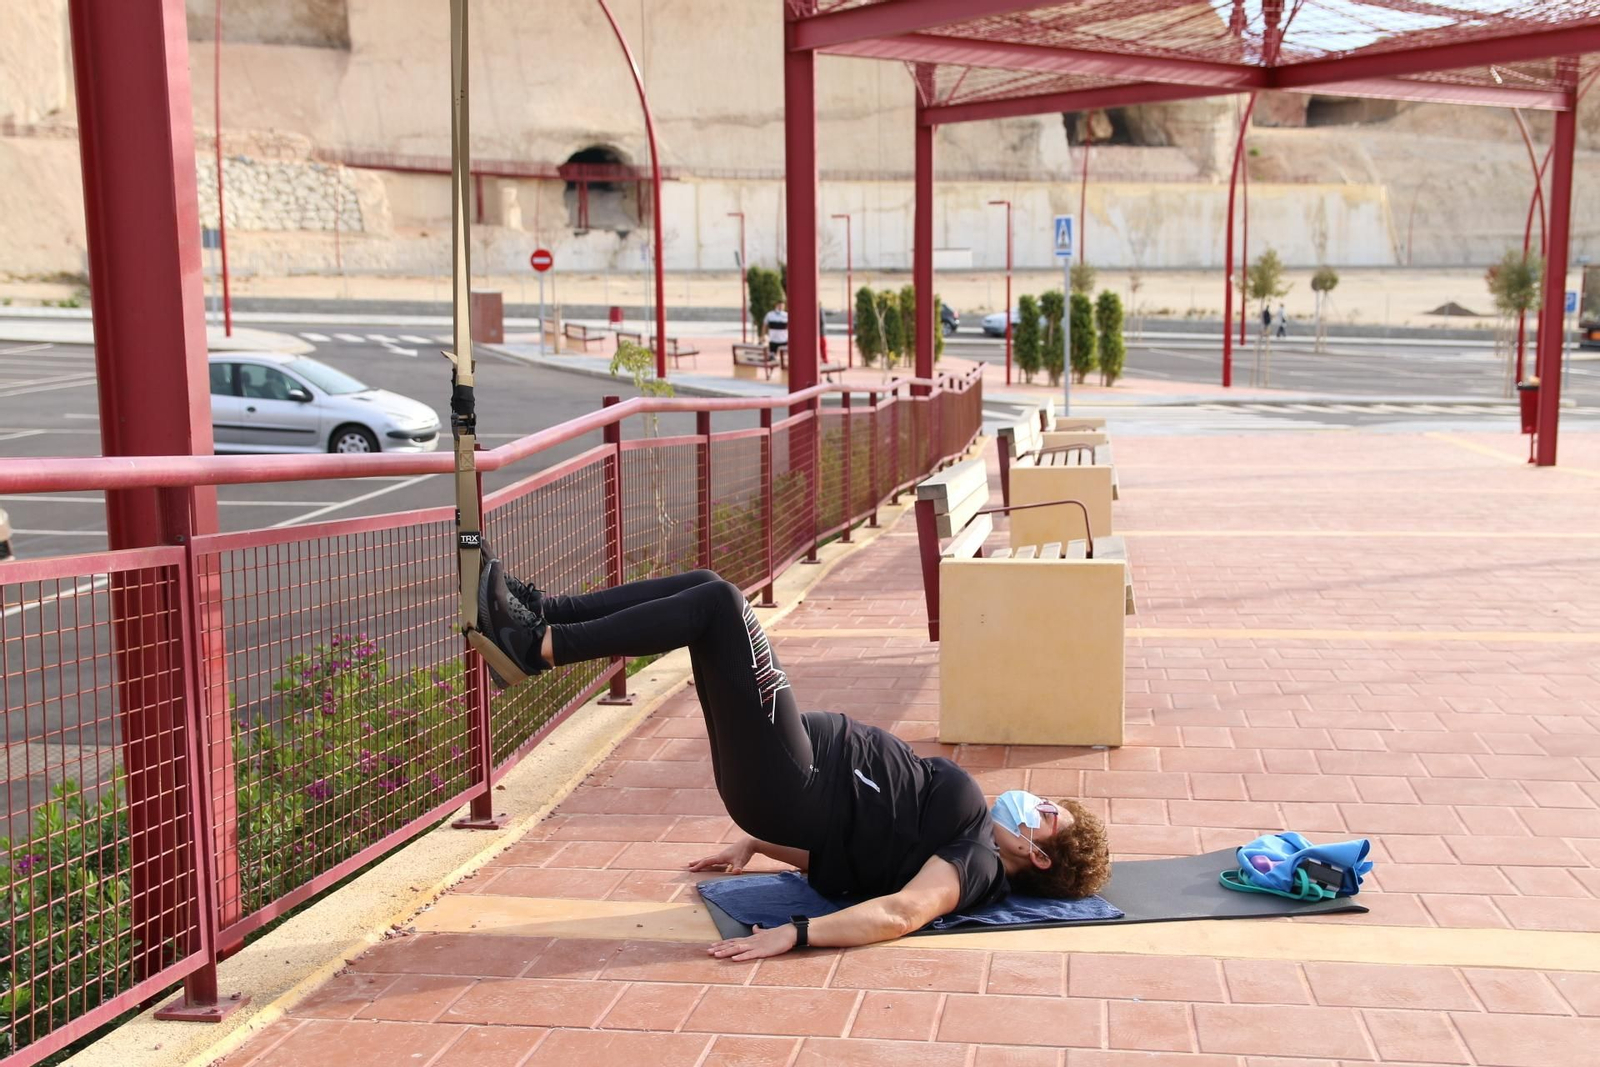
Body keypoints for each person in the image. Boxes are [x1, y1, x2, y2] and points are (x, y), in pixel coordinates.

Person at [476, 556, 1111, 961]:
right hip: (785, 779)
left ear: (1039, 853)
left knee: (720, 606)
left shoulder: (974, 860)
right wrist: (755, 843)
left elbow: (901, 912)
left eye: (1046, 812)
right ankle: (540, 615)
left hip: (794, 778)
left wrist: (796, 933)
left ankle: (536, 646)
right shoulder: (960, 837)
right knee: (706, 587)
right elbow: (857, 857)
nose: (1034, 801)